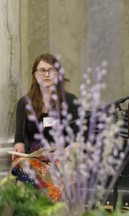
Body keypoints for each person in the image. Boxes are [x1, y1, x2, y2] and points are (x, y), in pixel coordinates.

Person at [11, 53, 79, 201]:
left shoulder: (71, 101)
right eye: (42, 70)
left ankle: (49, 206)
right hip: (35, 156)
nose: (46, 74)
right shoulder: (24, 103)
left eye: (51, 70)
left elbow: (78, 141)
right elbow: (19, 139)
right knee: (23, 165)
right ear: (35, 74)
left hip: (62, 155)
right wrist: (19, 150)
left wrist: (60, 154)